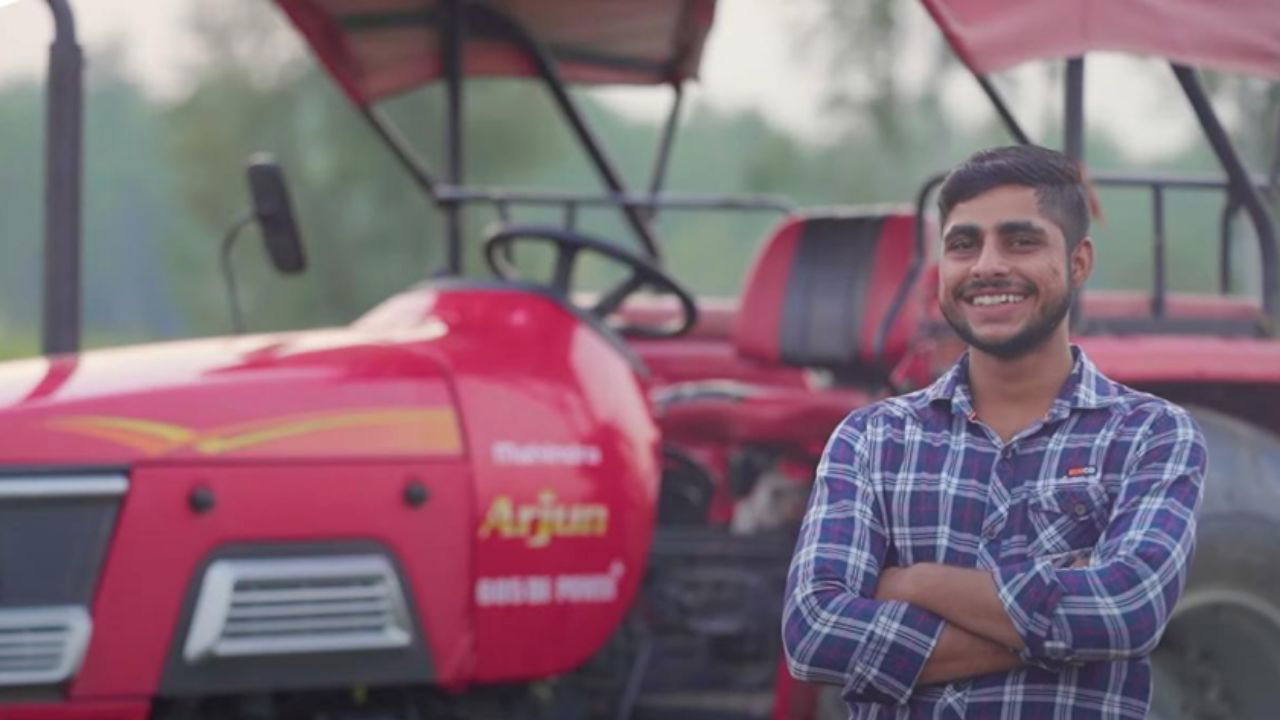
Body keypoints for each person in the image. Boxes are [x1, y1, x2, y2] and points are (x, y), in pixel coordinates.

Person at [782, 145, 1206, 719]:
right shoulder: (871, 439)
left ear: (1079, 262)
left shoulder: (1152, 436)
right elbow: (813, 635)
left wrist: (911, 583)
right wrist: (1060, 620)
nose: (986, 266)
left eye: (1020, 241)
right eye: (963, 245)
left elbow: (1122, 611)